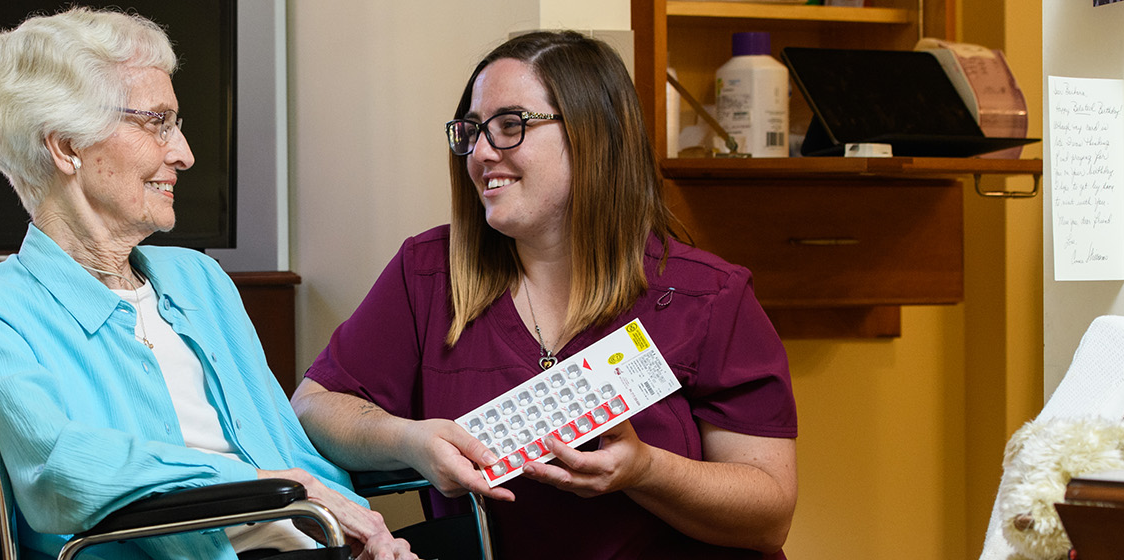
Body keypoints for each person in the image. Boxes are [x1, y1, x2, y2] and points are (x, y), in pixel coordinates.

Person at [291, 31, 798, 559]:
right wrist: (409, 440)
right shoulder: (427, 274)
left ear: (593, 135)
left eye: (511, 126)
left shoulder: (709, 297)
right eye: (472, 131)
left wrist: (647, 471)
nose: (481, 152)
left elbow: (770, 515)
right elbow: (312, 408)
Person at [0, 8, 413, 560]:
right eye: (158, 122)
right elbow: (59, 473)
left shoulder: (200, 280)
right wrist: (263, 484)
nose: (184, 154)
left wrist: (367, 527)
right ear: (66, 145)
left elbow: (287, 446)